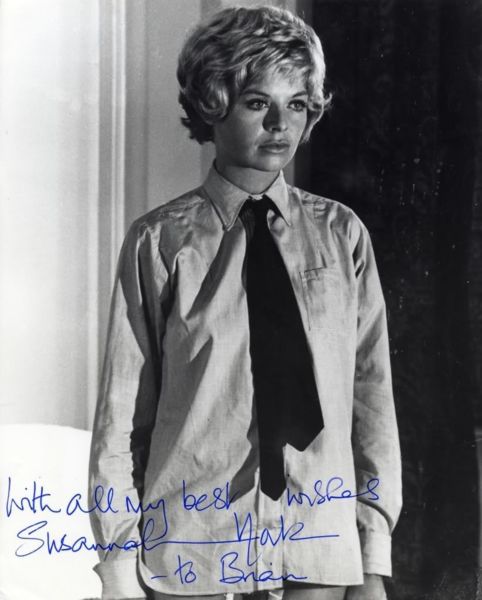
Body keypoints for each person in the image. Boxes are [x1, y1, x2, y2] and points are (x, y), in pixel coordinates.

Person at [89, 6, 402, 600]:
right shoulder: (160, 241)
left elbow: (372, 401)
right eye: (259, 103)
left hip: (318, 540)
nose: (281, 124)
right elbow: (122, 417)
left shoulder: (341, 235)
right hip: (192, 543)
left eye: (298, 104)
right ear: (213, 104)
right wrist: (117, 563)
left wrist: (372, 559)